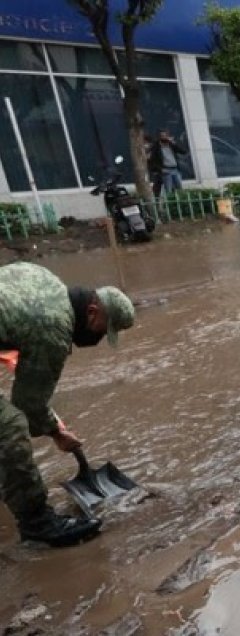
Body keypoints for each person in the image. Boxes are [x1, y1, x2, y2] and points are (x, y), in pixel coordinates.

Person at [0, 263, 135, 547]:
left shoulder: (45, 279)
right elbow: (28, 405)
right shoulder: (54, 329)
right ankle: (38, 525)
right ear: (92, 312)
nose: (98, 339)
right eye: (103, 330)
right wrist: (57, 433)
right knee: (10, 427)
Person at [148, 129, 187, 195]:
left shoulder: (171, 145)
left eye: (165, 136)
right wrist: (160, 169)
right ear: (159, 137)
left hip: (175, 169)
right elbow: (152, 160)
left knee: (180, 189)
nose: (164, 137)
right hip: (166, 170)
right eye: (162, 136)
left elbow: (183, 151)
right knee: (168, 190)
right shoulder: (156, 147)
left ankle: (181, 203)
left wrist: (174, 143)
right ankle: (170, 203)